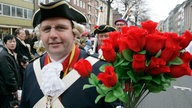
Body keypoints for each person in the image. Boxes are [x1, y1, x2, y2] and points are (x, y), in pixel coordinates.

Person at [19, 1, 117, 108]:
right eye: (46, 29)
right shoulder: (31, 69)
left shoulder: (100, 69)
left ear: (74, 33)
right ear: (40, 35)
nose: (52, 35)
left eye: (60, 28)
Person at [0, 34, 21, 108]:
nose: (13, 43)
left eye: (14, 41)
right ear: (5, 43)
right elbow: (9, 75)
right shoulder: (4, 56)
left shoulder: (11, 53)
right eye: (10, 42)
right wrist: (14, 89)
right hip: (5, 90)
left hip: (8, 89)